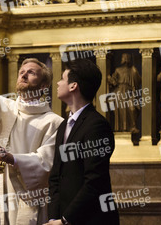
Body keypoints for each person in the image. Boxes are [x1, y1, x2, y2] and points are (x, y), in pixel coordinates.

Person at [0, 26, 63, 225]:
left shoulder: (53, 122)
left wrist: (13, 159)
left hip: (28, 195)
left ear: (44, 85)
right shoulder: (4, 107)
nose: (24, 75)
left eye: (31, 73)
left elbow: (47, 164)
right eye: (22, 72)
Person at [46, 59, 119, 225]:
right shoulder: (64, 125)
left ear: (73, 86)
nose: (57, 83)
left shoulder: (97, 126)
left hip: (90, 219)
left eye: (62, 79)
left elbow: (94, 181)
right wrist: (53, 218)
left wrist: (65, 220)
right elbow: (56, 177)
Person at [107, 53, 141, 132]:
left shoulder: (132, 69)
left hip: (129, 92)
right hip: (119, 91)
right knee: (120, 109)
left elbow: (139, 81)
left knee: (131, 108)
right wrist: (110, 79)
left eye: (123, 58)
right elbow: (114, 82)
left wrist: (135, 72)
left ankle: (132, 126)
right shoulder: (118, 70)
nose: (122, 59)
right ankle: (121, 129)